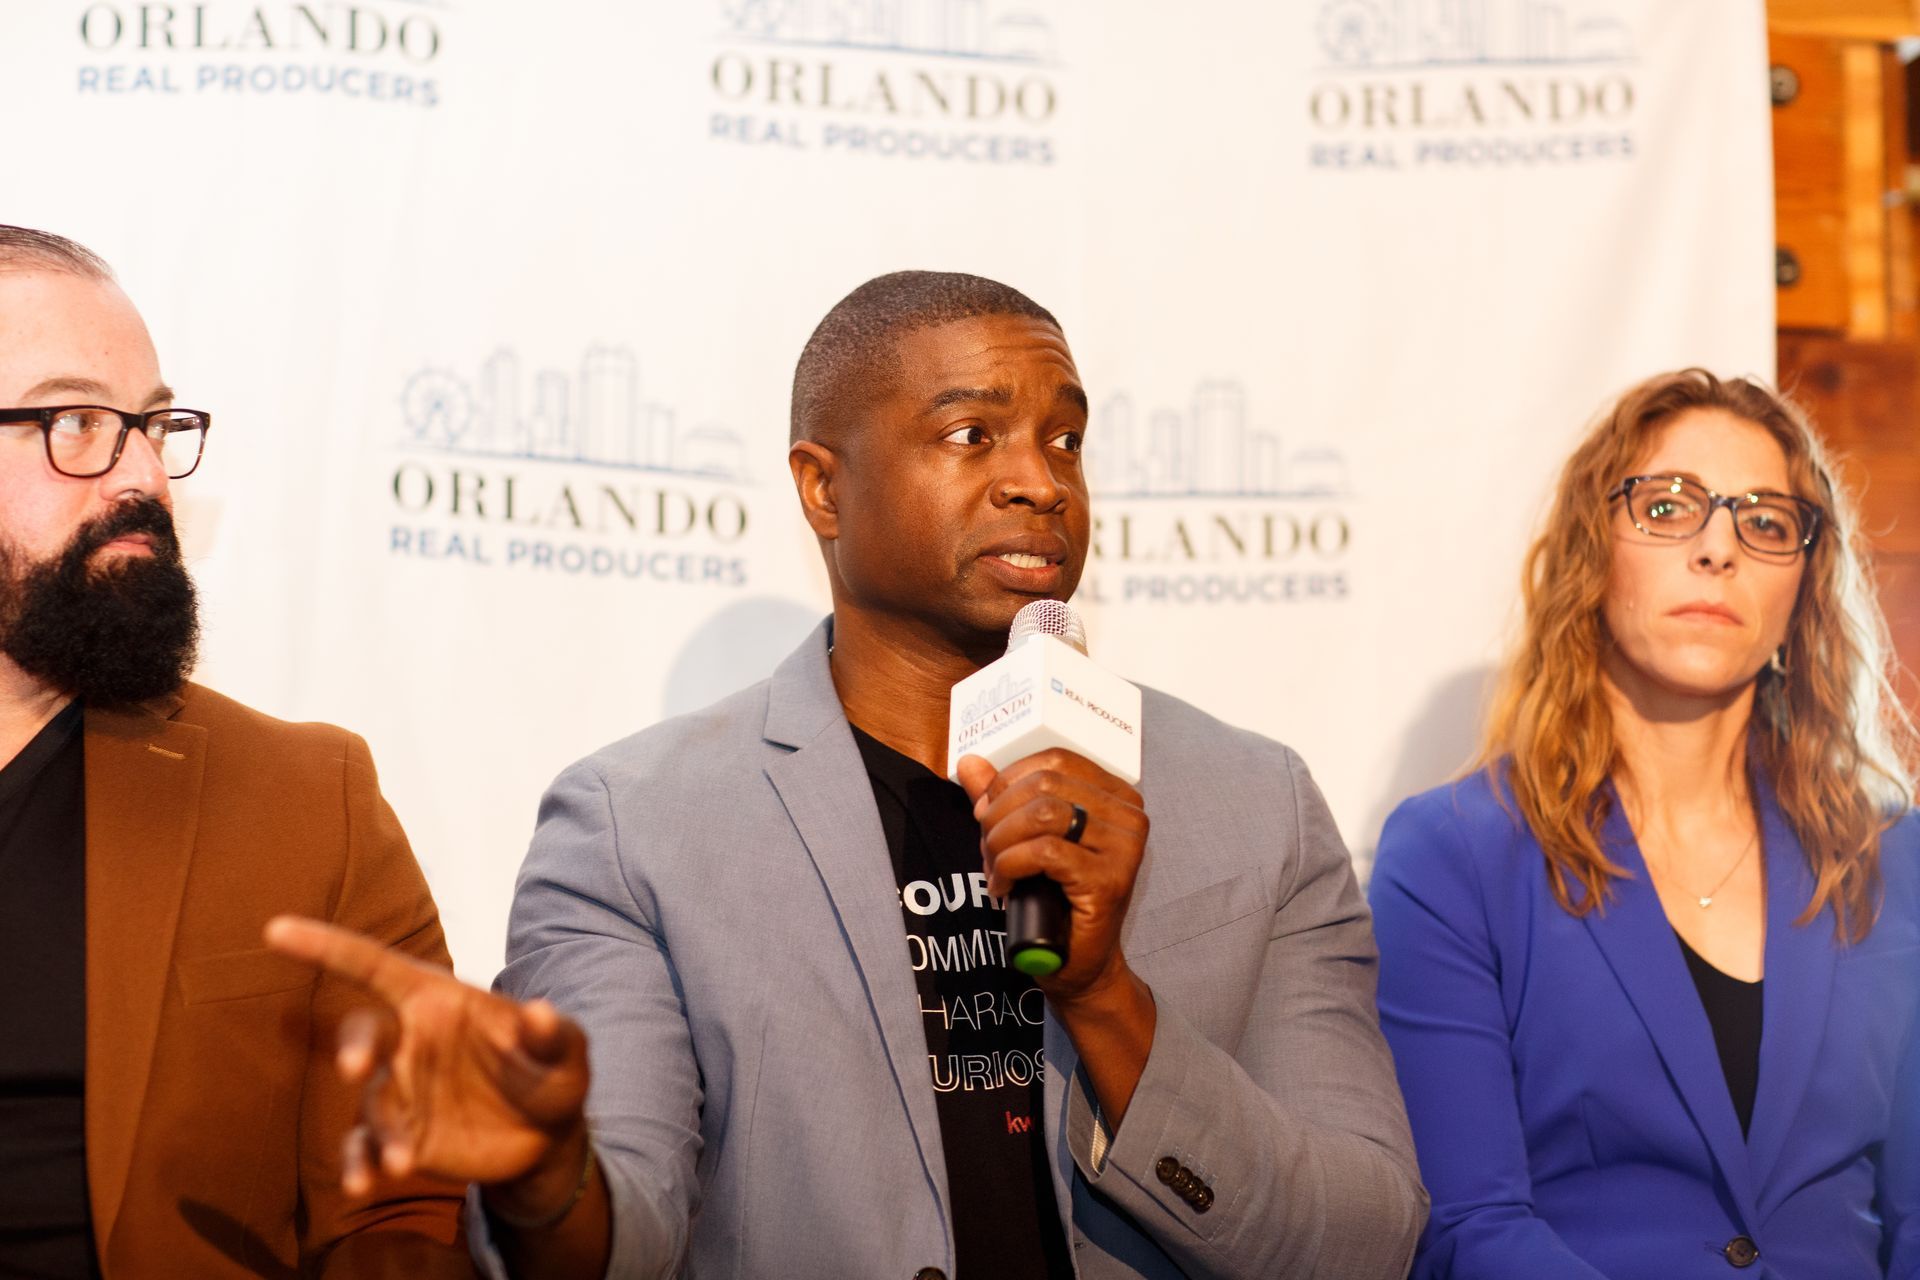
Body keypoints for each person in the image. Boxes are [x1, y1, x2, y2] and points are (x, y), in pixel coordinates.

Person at [269, 270, 1427, 1278]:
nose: (1040, 481)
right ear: (824, 487)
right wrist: (543, 1175)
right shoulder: (635, 829)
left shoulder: (1255, 801)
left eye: (1066, 439)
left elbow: (1368, 1243)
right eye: (972, 434)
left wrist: (1106, 998)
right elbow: (621, 1238)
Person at [1370, 369, 1920, 1278]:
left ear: (1802, 591)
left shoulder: (1894, 857)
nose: (1718, 548)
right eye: (1668, 507)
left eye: (1765, 522)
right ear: (1591, 559)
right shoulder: (1454, 856)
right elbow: (1471, 1225)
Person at [0, 226, 474, 1277]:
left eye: (154, 425)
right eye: (78, 422)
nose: (142, 476)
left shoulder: (307, 802)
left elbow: (411, 1211)